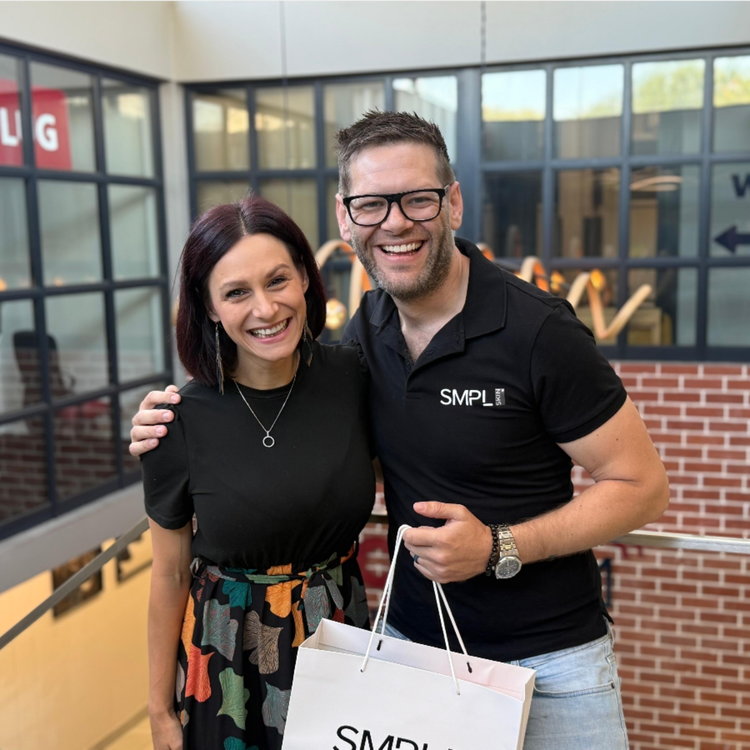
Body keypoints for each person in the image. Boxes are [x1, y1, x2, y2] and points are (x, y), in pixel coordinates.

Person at [131, 112, 669, 750]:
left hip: (551, 663)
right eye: (372, 204)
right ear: (345, 218)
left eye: (417, 198)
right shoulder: (369, 328)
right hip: (410, 652)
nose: (395, 222)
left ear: (453, 203)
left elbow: (642, 487)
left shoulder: (539, 330)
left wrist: (499, 545)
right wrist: (175, 419)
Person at [141, 195, 373, 750]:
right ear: (209, 307)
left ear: (305, 280)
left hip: (340, 636)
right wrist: (158, 709)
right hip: (228, 664)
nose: (266, 309)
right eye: (236, 293)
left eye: (277, 281)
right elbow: (169, 576)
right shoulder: (177, 422)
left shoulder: (354, 377)